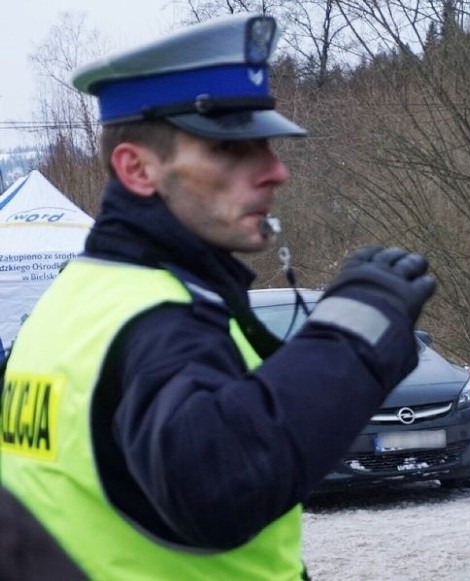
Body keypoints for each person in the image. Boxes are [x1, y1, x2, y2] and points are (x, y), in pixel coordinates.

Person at [0, 13, 434, 581]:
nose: (275, 171)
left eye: (268, 147)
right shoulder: (160, 324)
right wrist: (354, 336)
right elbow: (220, 480)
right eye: (232, 150)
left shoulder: (72, 302)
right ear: (136, 168)